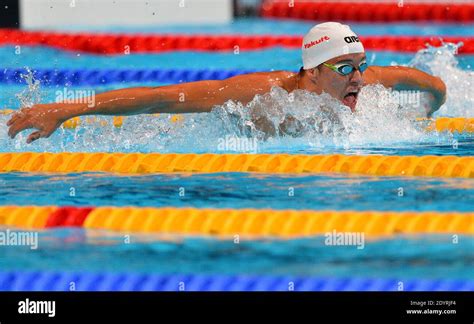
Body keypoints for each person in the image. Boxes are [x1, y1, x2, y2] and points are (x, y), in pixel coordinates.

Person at [7, 22, 446, 144]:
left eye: (362, 65)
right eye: (346, 68)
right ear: (313, 72)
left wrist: (430, 110)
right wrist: (65, 107)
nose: (360, 79)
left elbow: (431, 84)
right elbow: (159, 98)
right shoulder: (262, 94)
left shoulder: (367, 83)